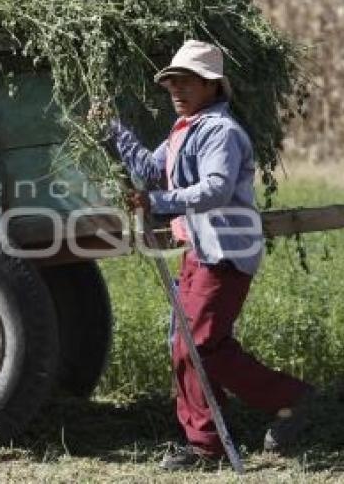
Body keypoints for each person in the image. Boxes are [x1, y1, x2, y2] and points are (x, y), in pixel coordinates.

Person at [109, 39, 315, 470]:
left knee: (199, 345)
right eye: (171, 82)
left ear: (211, 86)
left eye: (187, 81)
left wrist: (159, 202)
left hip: (224, 251)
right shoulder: (185, 129)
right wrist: (114, 131)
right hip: (199, 250)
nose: (176, 89)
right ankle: (204, 438)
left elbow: (216, 189)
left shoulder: (220, 132)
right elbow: (150, 169)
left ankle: (285, 401)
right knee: (182, 343)